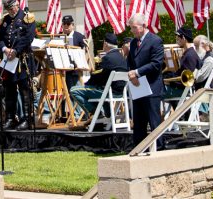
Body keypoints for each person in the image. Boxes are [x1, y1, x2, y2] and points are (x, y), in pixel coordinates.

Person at [0, 0, 37, 130]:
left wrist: (16, 51)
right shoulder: (5, 20)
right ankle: (10, 117)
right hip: (9, 60)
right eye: (8, 9)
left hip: (22, 60)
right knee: (9, 89)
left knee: (25, 89)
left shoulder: (27, 17)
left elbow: (28, 37)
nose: (10, 11)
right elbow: (0, 38)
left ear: (17, 4)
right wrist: (4, 49)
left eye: (11, 7)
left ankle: (27, 119)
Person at [69, 33, 128, 121]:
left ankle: (95, 113)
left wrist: (87, 84)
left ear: (105, 44)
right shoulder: (122, 58)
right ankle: (108, 114)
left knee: (74, 90)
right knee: (96, 90)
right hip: (120, 92)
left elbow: (98, 77)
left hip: (109, 92)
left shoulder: (107, 58)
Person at [126, 13, 164, 147]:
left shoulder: (155, 40)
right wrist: (132, 76)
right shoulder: (132, 42)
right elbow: (130, 61)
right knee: (139, 119)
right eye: (131, 28)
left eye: (134, 27)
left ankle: (159, 147)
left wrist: (137, 73)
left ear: (144, 25)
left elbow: (156, 64)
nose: (132, 30)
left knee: (154, 119)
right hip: (138, 85)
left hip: (152, 85)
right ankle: (139, 147)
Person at [165, 26, 199, 99]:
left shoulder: (190, 55)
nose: (177, 41)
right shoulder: (189, 53)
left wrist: (168, 81)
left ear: (183, 38)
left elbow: (186, 78)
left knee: (154, 93)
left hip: (182, 90)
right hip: (181, 89)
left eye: (178, 39)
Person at [61, 15, 87, 91]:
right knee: (66, 93)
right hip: (62, 69)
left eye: (68, 24)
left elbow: (86, 50)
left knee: (76, 91)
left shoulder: (79, 36)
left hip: (75, 70)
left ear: (72, 25)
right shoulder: (59, 36)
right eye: (64, 24)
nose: (66, 26)